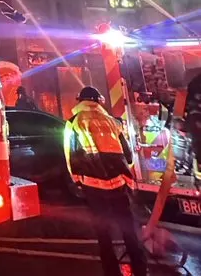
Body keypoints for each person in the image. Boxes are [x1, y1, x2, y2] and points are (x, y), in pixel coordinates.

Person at [65, 86, 147, 276]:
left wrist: (77, 182)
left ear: (80, 101)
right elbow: (128, 157)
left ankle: (112, 272)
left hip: (93, 187)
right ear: (98, 101)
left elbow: (71, 157)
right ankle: (141, 270)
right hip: (119, 185)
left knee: (104, 235)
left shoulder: (74, 122)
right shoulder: (112, 122)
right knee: (129, 230)